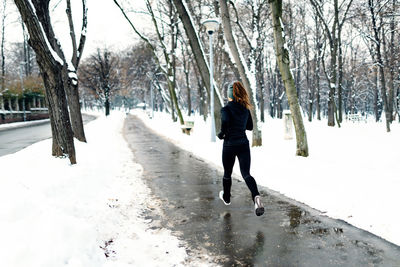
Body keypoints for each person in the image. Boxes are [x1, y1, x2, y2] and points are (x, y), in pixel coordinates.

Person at [217, 81, 264, 216]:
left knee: (227, 173)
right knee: (246, 174)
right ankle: (256, 197)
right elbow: (250, 127)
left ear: (229, 95)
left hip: (229, 145)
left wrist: (221, 133)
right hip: (243, 144)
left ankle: (226, 197)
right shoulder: (245, 109)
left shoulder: (225, 109)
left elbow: (225, 122)